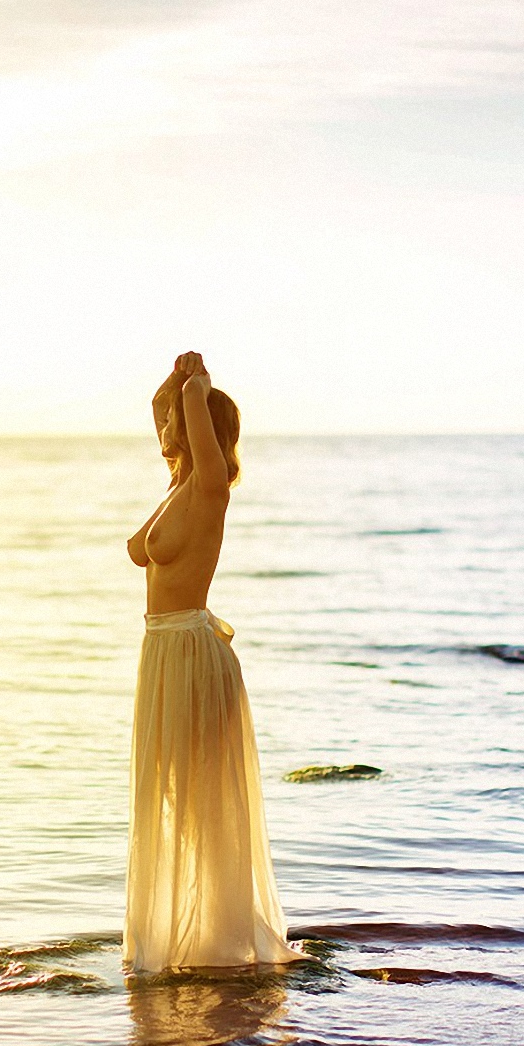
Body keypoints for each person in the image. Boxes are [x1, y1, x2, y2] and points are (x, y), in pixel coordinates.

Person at [123, 352, 301, 972]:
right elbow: (166, 419)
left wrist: (196, 383)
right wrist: (174, 386)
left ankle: (221, 940)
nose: (169, 431)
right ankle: (187, 932)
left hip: (194, 654)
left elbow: (196, 409)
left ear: (207, 429)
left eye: (183, 422)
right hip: (164, 651)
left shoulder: (210, 489)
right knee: (171, 796)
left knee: (202, 799)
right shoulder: (179, 488)